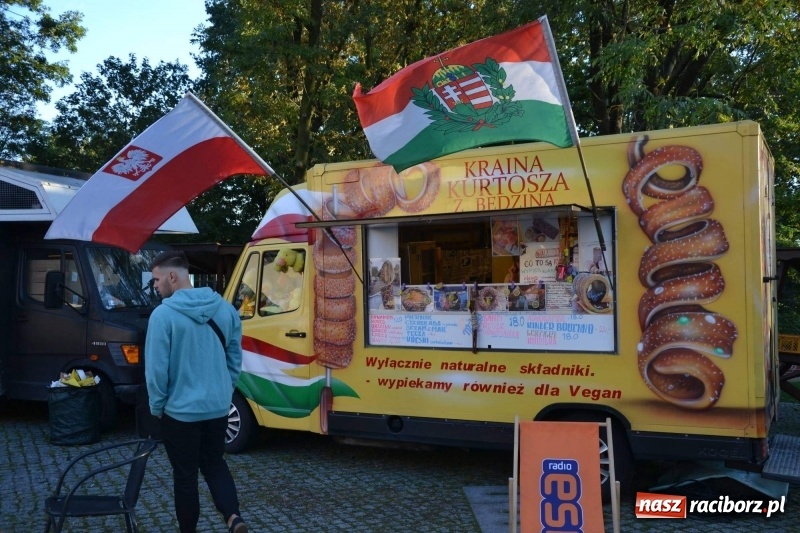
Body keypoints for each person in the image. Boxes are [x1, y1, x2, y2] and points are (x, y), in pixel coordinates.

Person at [144, 250, 248, 533]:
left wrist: (157, 408)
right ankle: (233, 517)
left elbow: (156, 371)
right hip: (217, 408)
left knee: (185, 476)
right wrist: (224, 392)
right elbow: (235, 359)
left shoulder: (162, 316)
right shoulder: (225, 309)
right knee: (215, 464)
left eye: (156, 279)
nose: (154, 286)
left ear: (173, 276)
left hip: (179, 413)